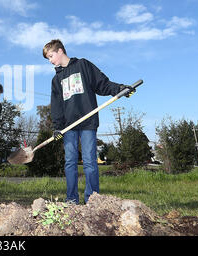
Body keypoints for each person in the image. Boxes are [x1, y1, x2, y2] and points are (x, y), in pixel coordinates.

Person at [43, 39, 134, 204]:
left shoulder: (83, 65)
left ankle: (93, 199)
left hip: (87, 122)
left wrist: (119, 89)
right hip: (68, 127)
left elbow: (102, 84)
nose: (50, 60)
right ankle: (71, 198)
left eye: (51, 56)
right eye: (48, 58)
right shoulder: (56, 80)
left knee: (90, 161)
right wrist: (57, 128)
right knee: (70, 162)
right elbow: (56, 106)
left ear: (60, 51)